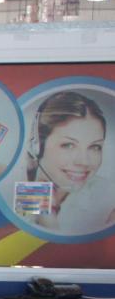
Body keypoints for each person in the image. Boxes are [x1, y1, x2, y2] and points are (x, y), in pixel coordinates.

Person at [21, 90, 115, 235]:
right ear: (37, 145)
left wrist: (48, 220)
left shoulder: (109, 197)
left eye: (95, 147)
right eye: (68, 145)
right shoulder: (12, 183)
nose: (84, 162)